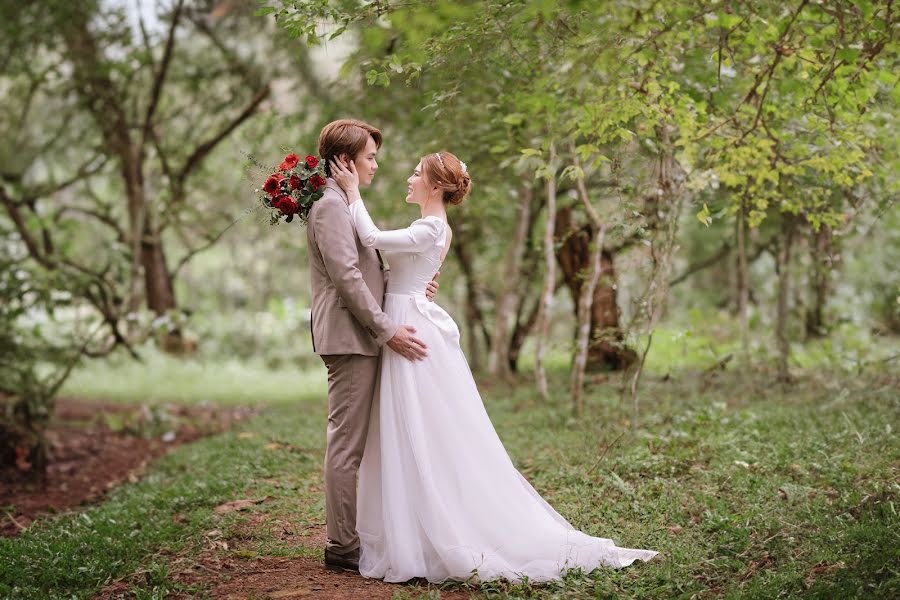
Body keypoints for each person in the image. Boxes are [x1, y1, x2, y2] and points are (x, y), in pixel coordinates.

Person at [329, 151, 658, 583]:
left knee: (422, 428)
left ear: (436, 186)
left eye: (416, 173)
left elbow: (370, 238)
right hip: (405, 318)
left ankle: (439, 527)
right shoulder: (427, 228)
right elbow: (397, 270)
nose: (408, 178)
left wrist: (352, 191)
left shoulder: (430, 226)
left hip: (408, 330)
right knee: (404, 429)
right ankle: (408, 527)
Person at [306, 119, 439, 573]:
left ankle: (359, 536)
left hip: (362, 333)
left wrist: (409, 286)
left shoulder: (342, 203)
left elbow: (364, 269)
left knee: (358, 442)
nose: (376, 166)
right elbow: (344, 277)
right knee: (347, 444)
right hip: (351, 337)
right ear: (345, 161)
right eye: (370, 158)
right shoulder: (328, 205)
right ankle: (342, 547)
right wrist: (388, 329)